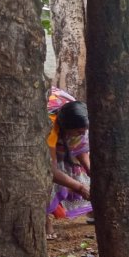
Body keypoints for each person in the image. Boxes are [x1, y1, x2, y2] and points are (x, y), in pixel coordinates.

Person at [46, 88, 92, 238]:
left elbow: (80, 148)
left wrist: (91, 171)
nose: (82, 134)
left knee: (85, 173)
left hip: (64, 121)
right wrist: (79, 187)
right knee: (44, 178)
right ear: (66, 129)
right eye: (79, 131)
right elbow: (51, 170)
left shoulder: (78, 113)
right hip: (43, 139)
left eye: (84, 130)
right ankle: (46, 221)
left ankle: (93, 211)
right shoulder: (49, 128)